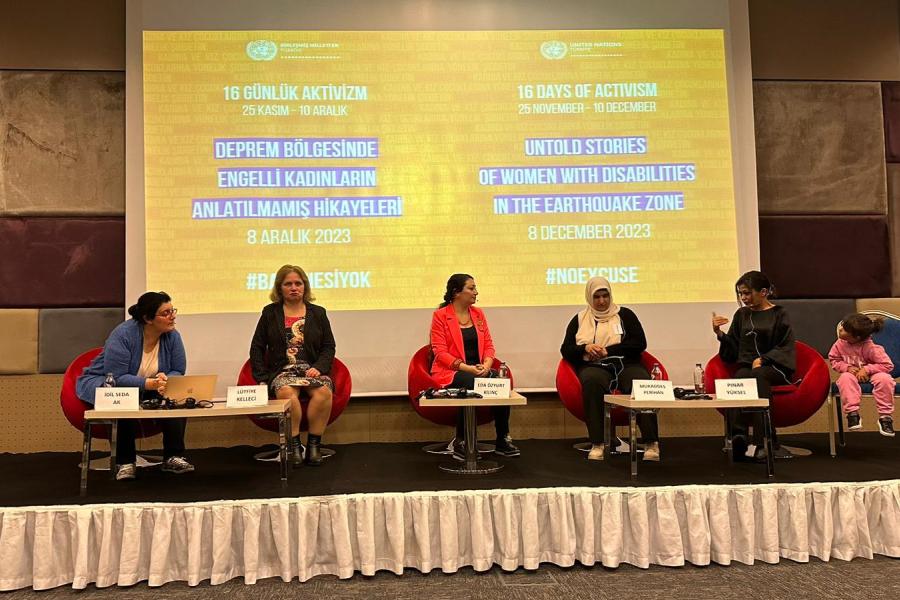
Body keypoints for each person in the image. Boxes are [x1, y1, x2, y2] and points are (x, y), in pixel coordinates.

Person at [76, 291, 193, 480]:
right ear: (148, 318)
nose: (173, 316)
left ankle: (173, 456)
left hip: (150, 387)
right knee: (124, 398)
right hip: (107, 384)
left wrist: (166, 380)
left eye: (173, 310)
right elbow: (116, 378)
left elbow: (178, 370)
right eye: (165, 313)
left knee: (174, 397)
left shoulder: (173, 336)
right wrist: (151, 383)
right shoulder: (123, 334)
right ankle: (126, 461)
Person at [560, 276, 660, 461]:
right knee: (591, 382)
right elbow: (565, 349)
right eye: (597, 297)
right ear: (590, 298)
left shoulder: (625, 315)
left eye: (605, 296)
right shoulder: (580, 319)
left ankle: (651, 443)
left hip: (626, 363)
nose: (602, 301)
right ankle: (598, 443)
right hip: (595, 365)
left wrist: (609, 350)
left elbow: (639, 343)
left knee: (641, 384)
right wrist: (585, 348)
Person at [250, 265, 335, 466]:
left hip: (311, 369)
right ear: (280, 288)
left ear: (305, 286)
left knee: (323, 392)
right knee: (288, 394)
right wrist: (262, 378)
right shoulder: (270, 313)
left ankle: (314, 446)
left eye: (298, 283)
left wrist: (320, 367)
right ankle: (293, 446)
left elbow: (328, 347)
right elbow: (257, 347)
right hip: (283, 371)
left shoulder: (318, 313)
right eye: (288, 284)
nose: (294, 287)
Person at [430, 273, 520, 457]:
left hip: (479, 369)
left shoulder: (478, 314)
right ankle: (462, 441)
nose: (476, 292)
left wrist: (487, 364)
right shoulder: (440, 316)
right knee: (470, 382)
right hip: (451, 372)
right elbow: (440, 353)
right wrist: (467, 368)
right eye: (471, 288)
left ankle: (503, 438)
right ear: (456, 292)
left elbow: (488, 344)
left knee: (500, 381)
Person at [712, 270, 795, 460]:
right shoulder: (742, 314)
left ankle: (764, 441)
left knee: (758, 377)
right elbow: (733, 347)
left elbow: (785, 345)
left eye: (747, 293)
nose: (744, 298)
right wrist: (720, 334)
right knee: (739, 379)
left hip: (776, 368)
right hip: (749, 368)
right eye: (741, 294)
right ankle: (738, 436)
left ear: (763, 292)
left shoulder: (779, 313)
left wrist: (765, 359)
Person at [829, 313, 895, 437]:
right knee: (845, 378)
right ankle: (852, 413)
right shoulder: (839, 344)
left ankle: (885, 417)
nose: (840, 329)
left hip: (874, 374)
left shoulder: (872, 348)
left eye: (845, 329)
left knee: (885, 379)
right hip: (852, 375)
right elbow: (834, 359)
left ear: (856, 337)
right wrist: (847, 367)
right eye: (842, 326)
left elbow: (887, 365)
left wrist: (867, 369)